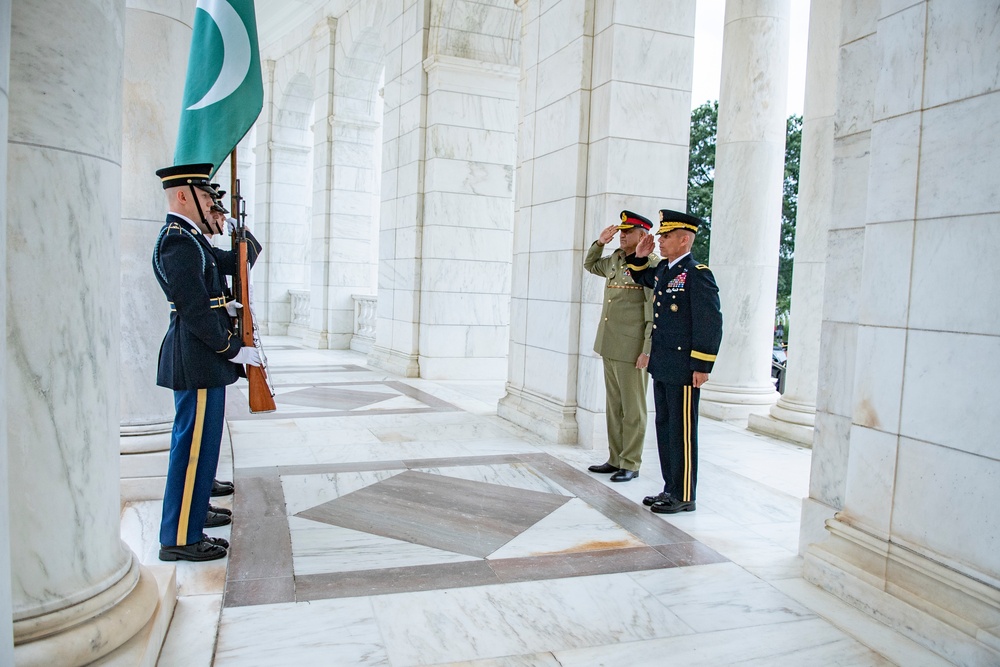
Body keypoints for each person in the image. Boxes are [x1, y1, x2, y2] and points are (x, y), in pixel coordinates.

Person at [152, 163, 263, 562]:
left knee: (203, 443)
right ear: (182, 196)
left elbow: (237, 262)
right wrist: (231, 349)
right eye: (205, 196)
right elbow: (195, 310)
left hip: (203, 358)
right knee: (192, 448)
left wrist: (237, 225)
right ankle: (179, 537)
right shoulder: (178, 242)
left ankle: (194, 512)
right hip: (199, 356)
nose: (211, 203)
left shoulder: (192, 239)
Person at [626, 209, 722, 513]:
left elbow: (710, 322)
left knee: (682, 432)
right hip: (663, 363)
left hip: (683, 368)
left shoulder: (698, 273)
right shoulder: (666, 270)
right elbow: (640, 275)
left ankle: (684, 494)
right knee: (665, 427)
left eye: (666, 237)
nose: (660, 241)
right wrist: (640, 255)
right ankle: (670, 488)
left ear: (684, 240)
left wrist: (702, 365)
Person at [584, 210, 659, 482]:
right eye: (621, 231)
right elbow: (590, 265)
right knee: (613, 407)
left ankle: (631, 462)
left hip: (632, 349)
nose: (622, 235)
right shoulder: (615, 259)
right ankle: (615, 458)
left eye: (628, 232)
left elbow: (652, 311)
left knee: (633, 409)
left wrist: (646, 349)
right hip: (609, 343)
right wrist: (600, 242)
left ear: (643, 236)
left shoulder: (651, 265)